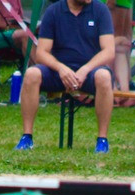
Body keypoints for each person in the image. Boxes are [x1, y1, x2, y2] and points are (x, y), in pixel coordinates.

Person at [16, 0, 114, 153]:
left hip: (89, 72)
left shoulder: (101, 10)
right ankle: (27, 137)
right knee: (31, 74)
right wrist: (61, 68)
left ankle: (102, 140)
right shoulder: (53, 12)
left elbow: (109, 51)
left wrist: (86, 69)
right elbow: (41, 53)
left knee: (104, 76)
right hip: (58, 72)